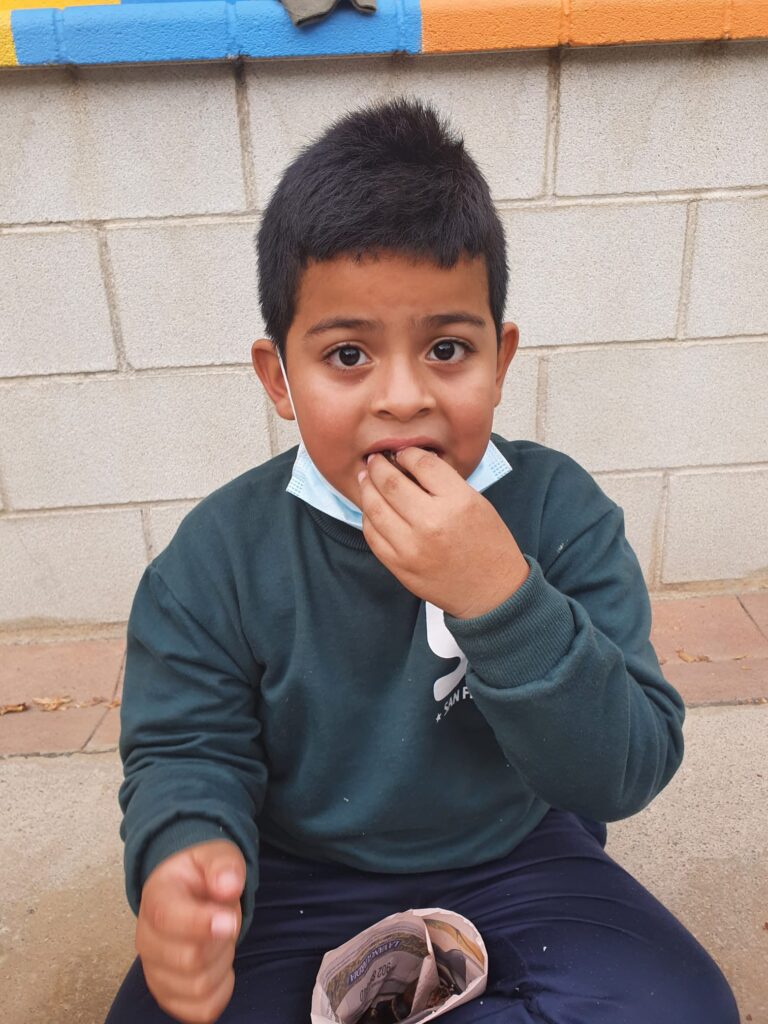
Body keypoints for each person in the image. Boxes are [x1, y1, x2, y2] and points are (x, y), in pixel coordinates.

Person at [105, 97, 739, 1024]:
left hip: (517, 855)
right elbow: (185, 751)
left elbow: (626, 769)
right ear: (279, 378)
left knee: (680, 1007)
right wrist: (188, 860)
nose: (403, 397)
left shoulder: (559, 512)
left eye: (447, 348)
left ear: (500, 358)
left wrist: (502, 598)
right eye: (347, 354)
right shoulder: (218, 556)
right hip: (297, 872)